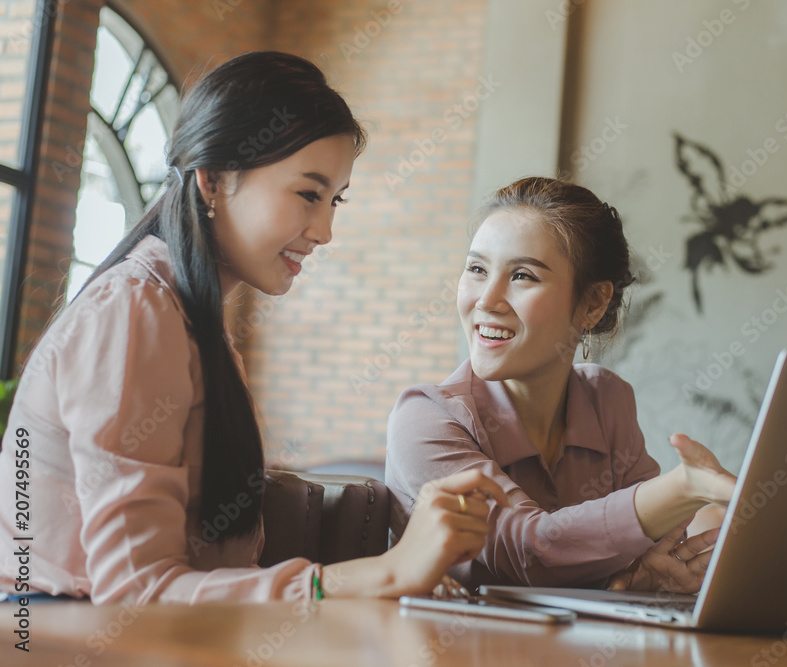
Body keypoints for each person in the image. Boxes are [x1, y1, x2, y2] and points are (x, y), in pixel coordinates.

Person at [0, 51, 506, 605]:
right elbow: (135, 593)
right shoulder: (135, 312)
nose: (326, 230)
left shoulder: (191, 321)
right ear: (213, 180)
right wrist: (381, 574)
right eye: (308, 194)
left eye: (335, 200)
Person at [385, 176, 736, 591]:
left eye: (522, 276)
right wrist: (683, 488)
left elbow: (640, 551)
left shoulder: (607, 400)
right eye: (477, 269)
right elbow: (530, 551)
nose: (486, 299)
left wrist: (651, 573)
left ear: (593, 303)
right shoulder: (426, 418)